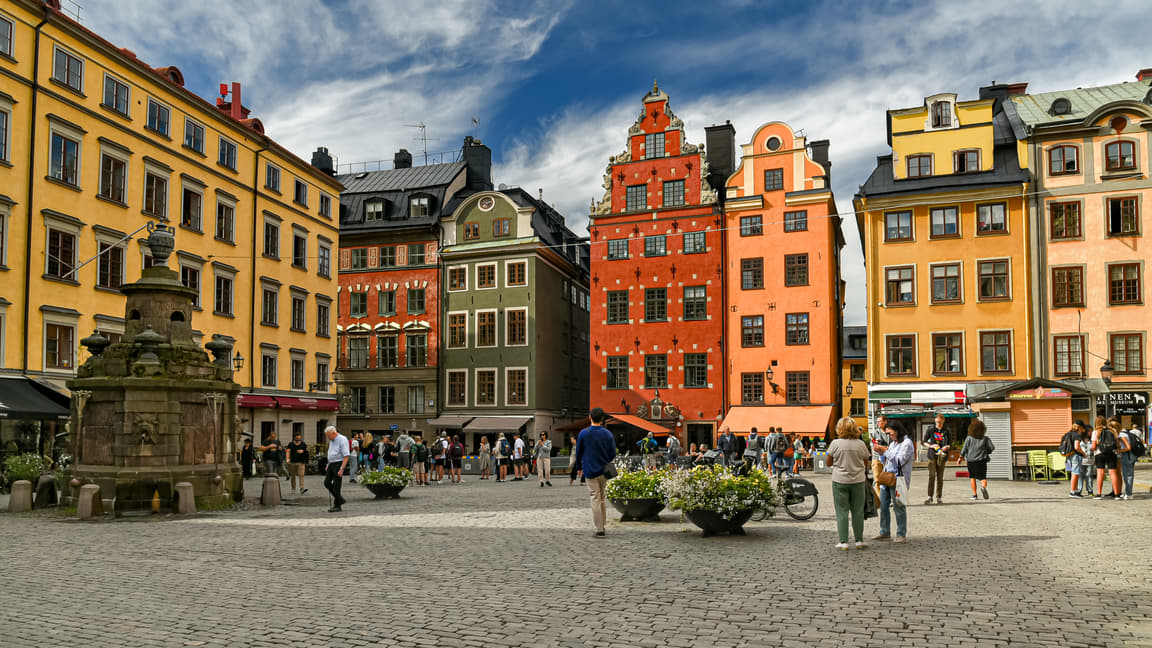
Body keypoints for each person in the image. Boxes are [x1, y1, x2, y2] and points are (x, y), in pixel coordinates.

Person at [826, 417, 871, 550]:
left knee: (842, 511)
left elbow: (828, 462)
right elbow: (866, 462)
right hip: (858, 481)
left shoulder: (835, 443)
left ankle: (844, 541)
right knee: (858, 511)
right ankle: (859, 540)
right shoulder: (860, 444)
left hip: (840, 480)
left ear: (839, 429)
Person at [574, 408, 617, 537]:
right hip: (604, 471)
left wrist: (579, 467)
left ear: (590, 417)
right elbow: (613, 454)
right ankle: (602, 523)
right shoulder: (607, 434)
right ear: (602, 419)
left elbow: (578, 453)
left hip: (590, 469)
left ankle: (599, 528)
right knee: (602, 497)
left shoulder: (584, 433)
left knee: (595, 497)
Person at [873, 422, 913, 544]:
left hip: (898, 479)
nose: (889, 436)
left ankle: (901, 534)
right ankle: (884, 531)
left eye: (890, 433)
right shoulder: (893, 443)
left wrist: (885, 452)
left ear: (897, 430)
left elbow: (900, 461)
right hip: (886, 478)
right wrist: (881, 453)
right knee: (884, 506)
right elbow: (886, 460)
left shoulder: (907, 443)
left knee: (899, 506)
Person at [958, 419, 994, 500]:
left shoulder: (969, 438)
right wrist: (986, 452)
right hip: (982, 460)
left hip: (971, 461)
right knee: (983, 477)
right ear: (983, 429)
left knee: (972, 477)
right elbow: (991, 448)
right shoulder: (985, 439)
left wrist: (960, 457)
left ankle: (975, 495)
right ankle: (983, 487)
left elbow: (964, 449)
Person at [921, 414, 950, 504]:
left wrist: (946, 447)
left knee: (940, 477)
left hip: (942, 455)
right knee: (932, 475)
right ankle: (930, 496)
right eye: (937, 422)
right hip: (932, 454)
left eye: (940, 423)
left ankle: (939, 497)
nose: (938, 424)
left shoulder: (947, 430)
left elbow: (950, 443)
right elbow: (924, 442)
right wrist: (931, 445)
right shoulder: (931, 429)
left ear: (943, 422)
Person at [1092, 416, 1121, 499]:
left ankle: (1099, 494)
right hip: (1111, 453)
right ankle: (1117, 494)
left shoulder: (1096, 432)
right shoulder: (1113, 430)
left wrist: (1092, 449)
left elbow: (1094, 446)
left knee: (1100, 473)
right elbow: (1118, 444)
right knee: (1113, 473)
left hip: (1100, 453)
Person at [323, 426, 349, 512]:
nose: (328, 438)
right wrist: (328, 463)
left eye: (329, 435)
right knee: (327, 483)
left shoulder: (342, 440)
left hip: (339, 463)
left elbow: (346, 456)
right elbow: (331, 452)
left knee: (336, 485)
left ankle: (337, 505)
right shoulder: (332, 440)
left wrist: (342, 468)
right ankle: (340, 499)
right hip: (332, 463)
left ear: (334, 433)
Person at [1062, 421, 1087, 498]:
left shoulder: (1067, 434)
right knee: (1075, 473)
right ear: (1080, 427)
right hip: (1075, 455)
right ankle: (1072, 492)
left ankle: (1075, 491)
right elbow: (1077, 447)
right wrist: (1083, 453)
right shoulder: (1077, 435)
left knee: (1074, 472)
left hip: (1069, 455)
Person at [869, 414, 891, 499]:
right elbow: (872, 443)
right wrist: (875, 444)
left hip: (888, 458)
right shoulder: (875, 432)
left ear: (885, 422)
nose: (878, 423)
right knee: (877, 478)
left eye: (880, 421)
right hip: (877, 457)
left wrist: (887, 448)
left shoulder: (890, 432)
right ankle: (880, 497)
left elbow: (894, 443)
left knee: (888, 479)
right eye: (877, 421)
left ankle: (889, 497)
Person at [1116, 418, 1136, 500]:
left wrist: (1119, 450)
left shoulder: (1121, 435)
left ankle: (1128, 493)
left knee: (1127, 474)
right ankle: (1128, 492)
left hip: (1127, 455)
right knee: (1129, 474)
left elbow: (1128, 447)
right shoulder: (1125, 433)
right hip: (1131, 455)